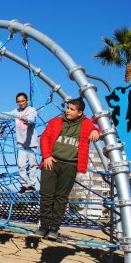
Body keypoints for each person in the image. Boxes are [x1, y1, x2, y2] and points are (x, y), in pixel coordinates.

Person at [34, 98, 100, 240]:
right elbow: (44, 137)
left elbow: (102, 123)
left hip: (70, 165)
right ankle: (44, 226)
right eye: (68, 108)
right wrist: (46, 156)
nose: (67, 111)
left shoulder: (87, 124)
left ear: (80, 112)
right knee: (46, 195)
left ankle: (54, 228)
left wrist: (96, 130)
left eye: (71, 109)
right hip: (51, 162)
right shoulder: (56, 121)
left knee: (61, 198)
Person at [0, 93, 38, 194]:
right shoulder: (16, 112)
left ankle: (32, 185)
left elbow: (32, 118)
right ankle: (23, 185)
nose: (21, 103)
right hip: (21, 143)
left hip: (31, 142)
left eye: (22, 101)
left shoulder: (31, 110)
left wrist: (27, 119)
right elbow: (6, 115)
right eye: (18, 101)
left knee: (32, 164)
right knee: (21, 164)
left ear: (27, 101)